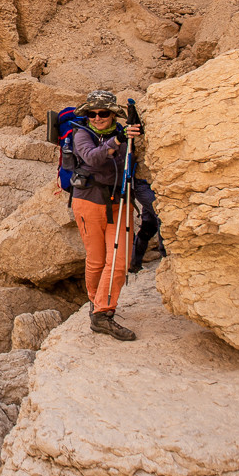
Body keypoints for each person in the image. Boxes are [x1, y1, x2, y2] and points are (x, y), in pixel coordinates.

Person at [70, 89, 141, 341]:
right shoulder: (81, 134)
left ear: (112, 115)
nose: (97, 118)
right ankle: (96, 303)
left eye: (103, 113)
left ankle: (102, 312)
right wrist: (117, 142)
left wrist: (132, 136)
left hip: (119, 203)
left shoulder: (122, 134)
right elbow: (92, 158)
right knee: (97, 260)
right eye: (92, 114)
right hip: (88, 202)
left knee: (119, 260)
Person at [128, 177, 166, 273]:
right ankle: (166, 256)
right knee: (162, 216)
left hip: (154, 184)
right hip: (142, 184)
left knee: (149, 225)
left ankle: (134, 263)